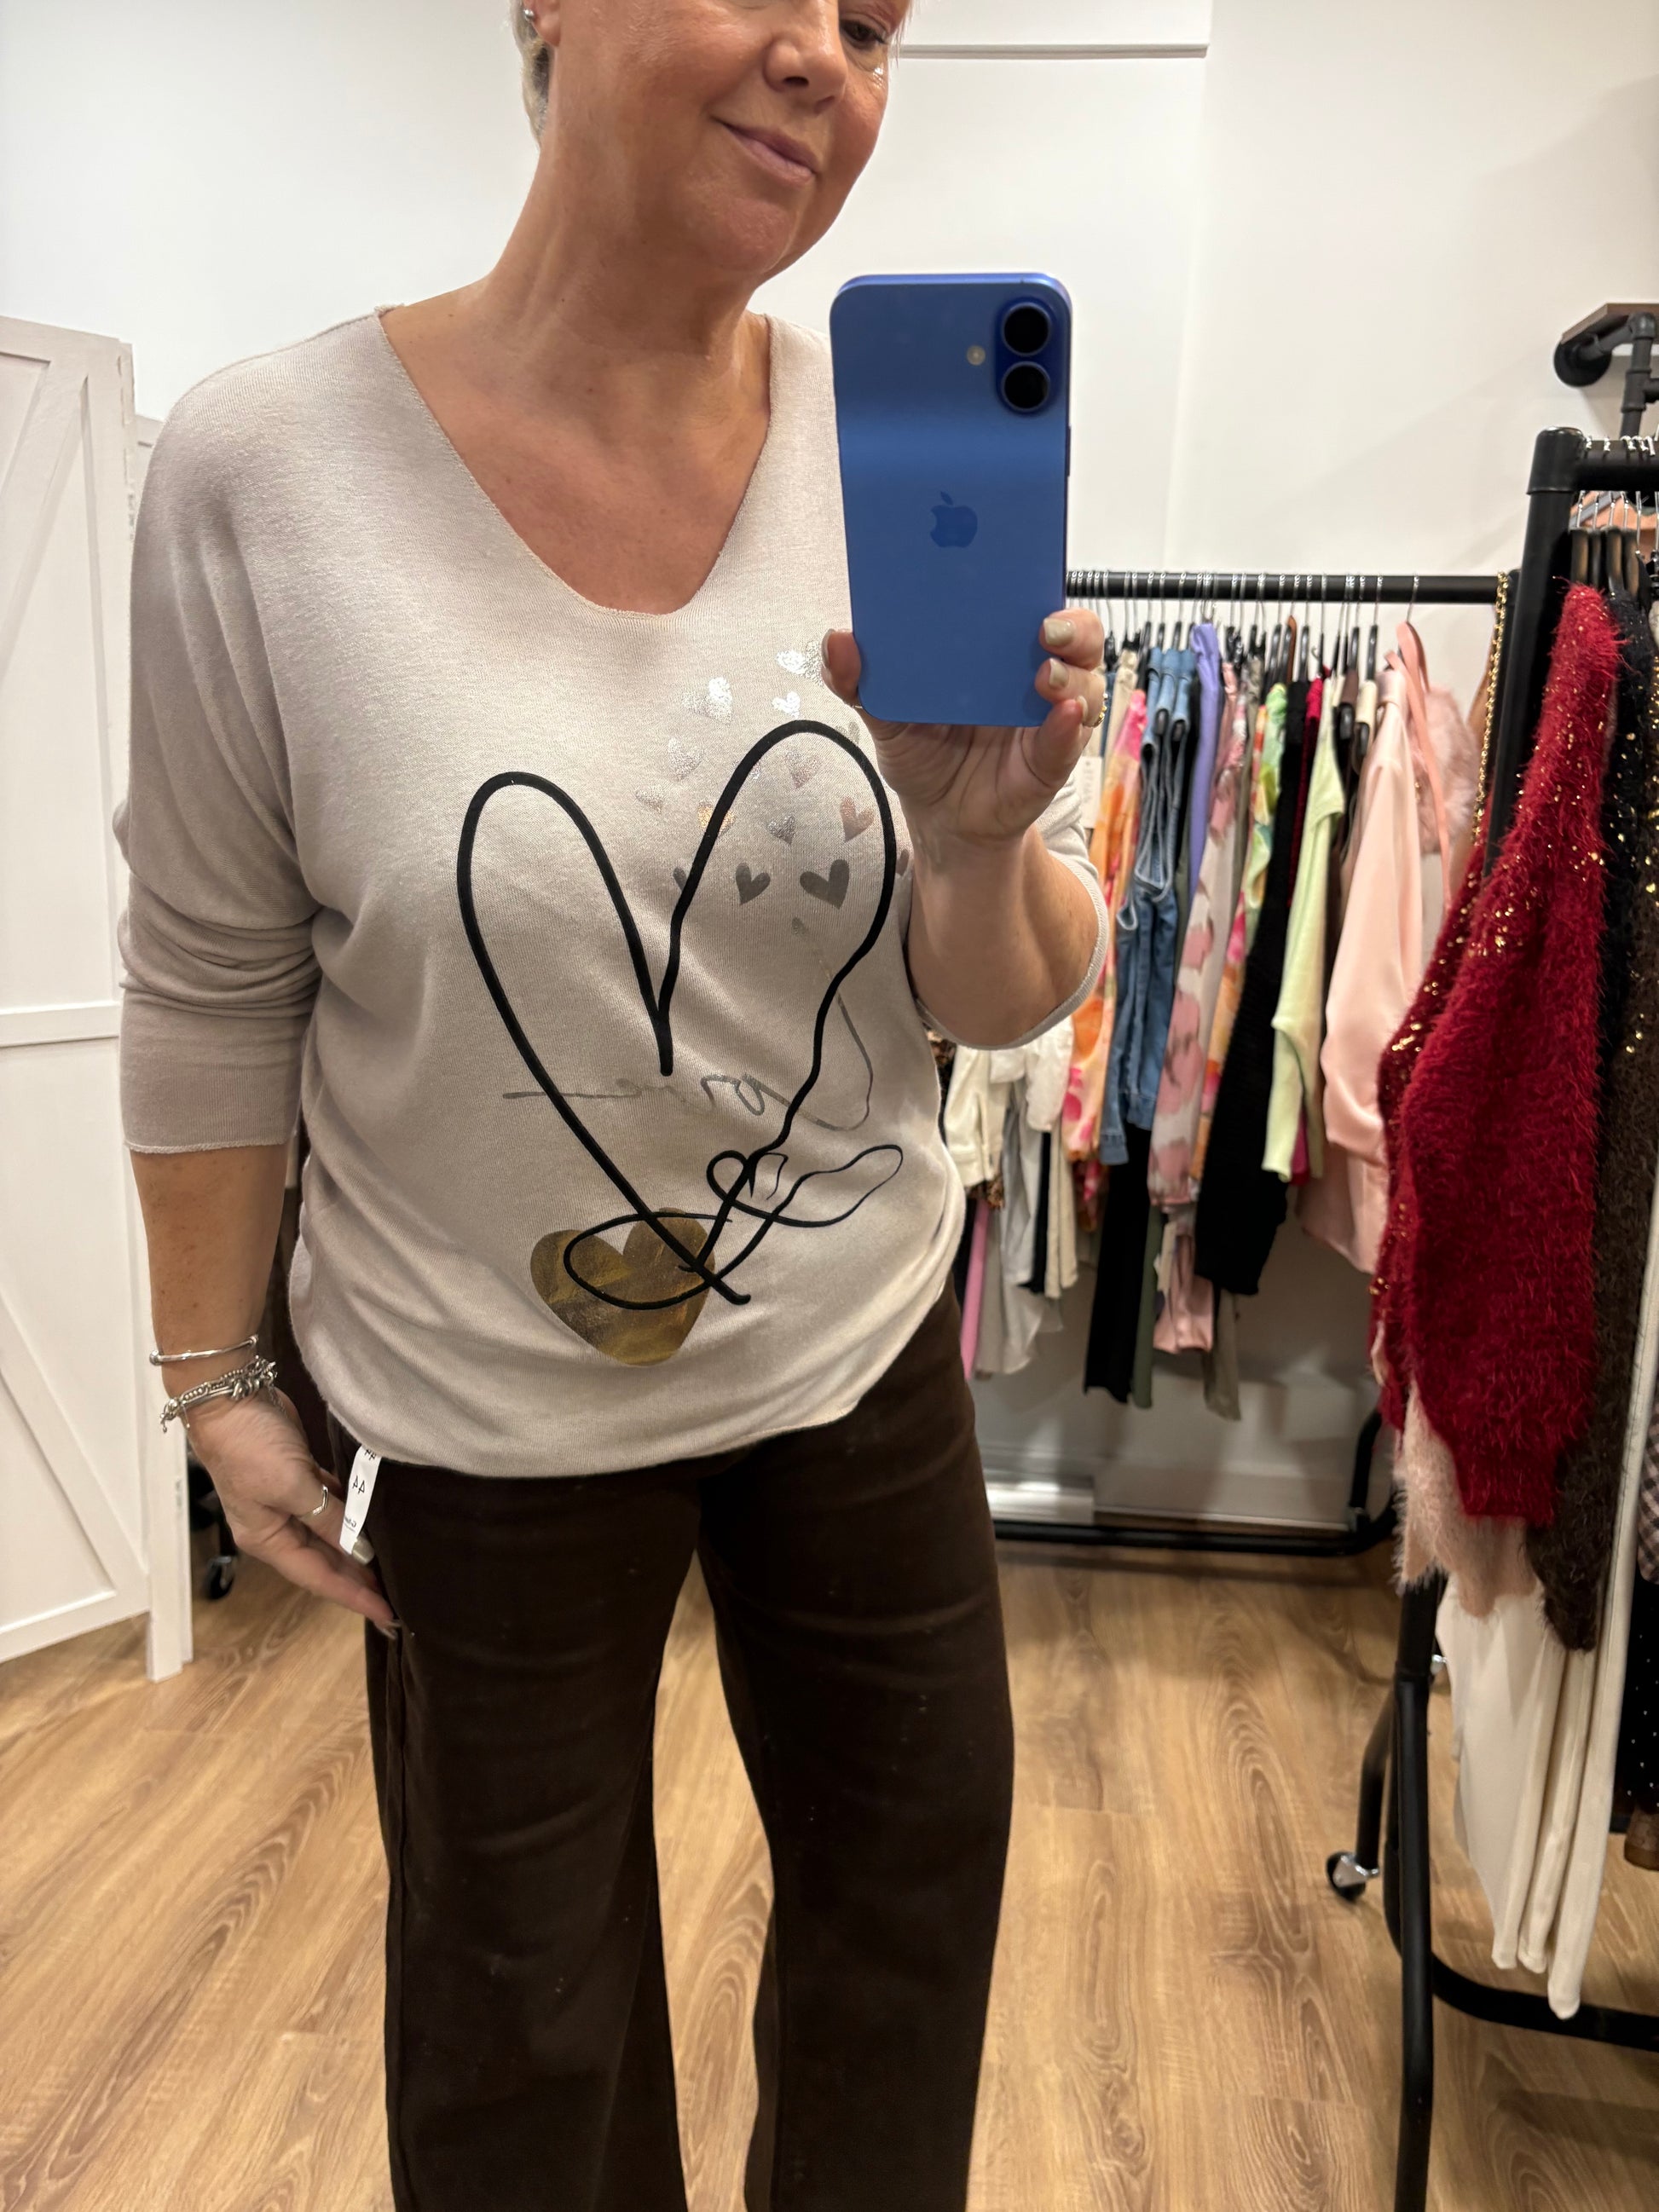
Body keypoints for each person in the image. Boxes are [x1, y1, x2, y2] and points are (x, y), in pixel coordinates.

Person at [117, 4, 1107, 2206]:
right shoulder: (263, 466)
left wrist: (974, 846)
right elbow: (210, 969)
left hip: (855, 1361)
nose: (827, 61)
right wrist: (213, 1375)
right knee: (520, 2026)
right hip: (474, 1409)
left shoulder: (900, 459)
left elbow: (997, 995)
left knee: (905, 1924)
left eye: (876, 25)